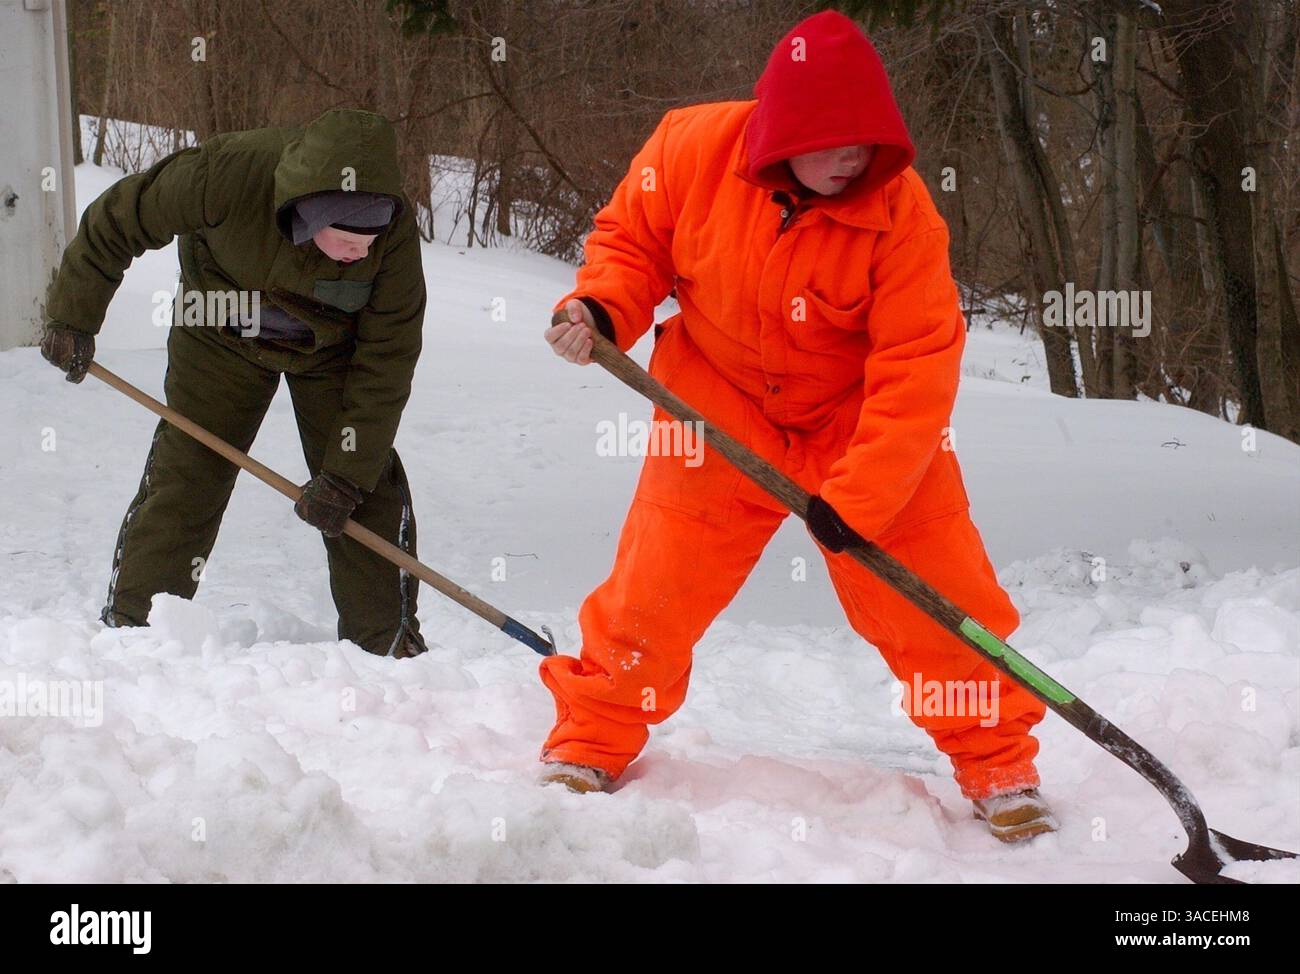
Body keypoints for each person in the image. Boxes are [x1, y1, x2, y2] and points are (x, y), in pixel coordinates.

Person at [539, 11, 1056, 841]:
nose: (851, 162)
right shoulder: (687, 151)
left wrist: (864, 496)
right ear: (778, 136)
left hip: (860, 421)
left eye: (864, 144)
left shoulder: (903, 215)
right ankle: (590, 740)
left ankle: (998, 761)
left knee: (940, 599)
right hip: (717, 405)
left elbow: (918, 365)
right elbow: (632, 244)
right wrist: (601, 306)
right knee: (653, 591)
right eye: (830, 145)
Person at [40, 108, 427, 658]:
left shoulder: (391, 233)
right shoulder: (226, 173)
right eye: (348, 237)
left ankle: (386, 645)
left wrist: (345, 475)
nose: (363, 250)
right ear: (310, 212)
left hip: (331, 350)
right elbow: (117, 219)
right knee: (190, 472)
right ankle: (137, 633)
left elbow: (389, 355)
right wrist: (73, 315)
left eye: (373, 236)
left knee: (361, 492)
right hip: (220, 328)